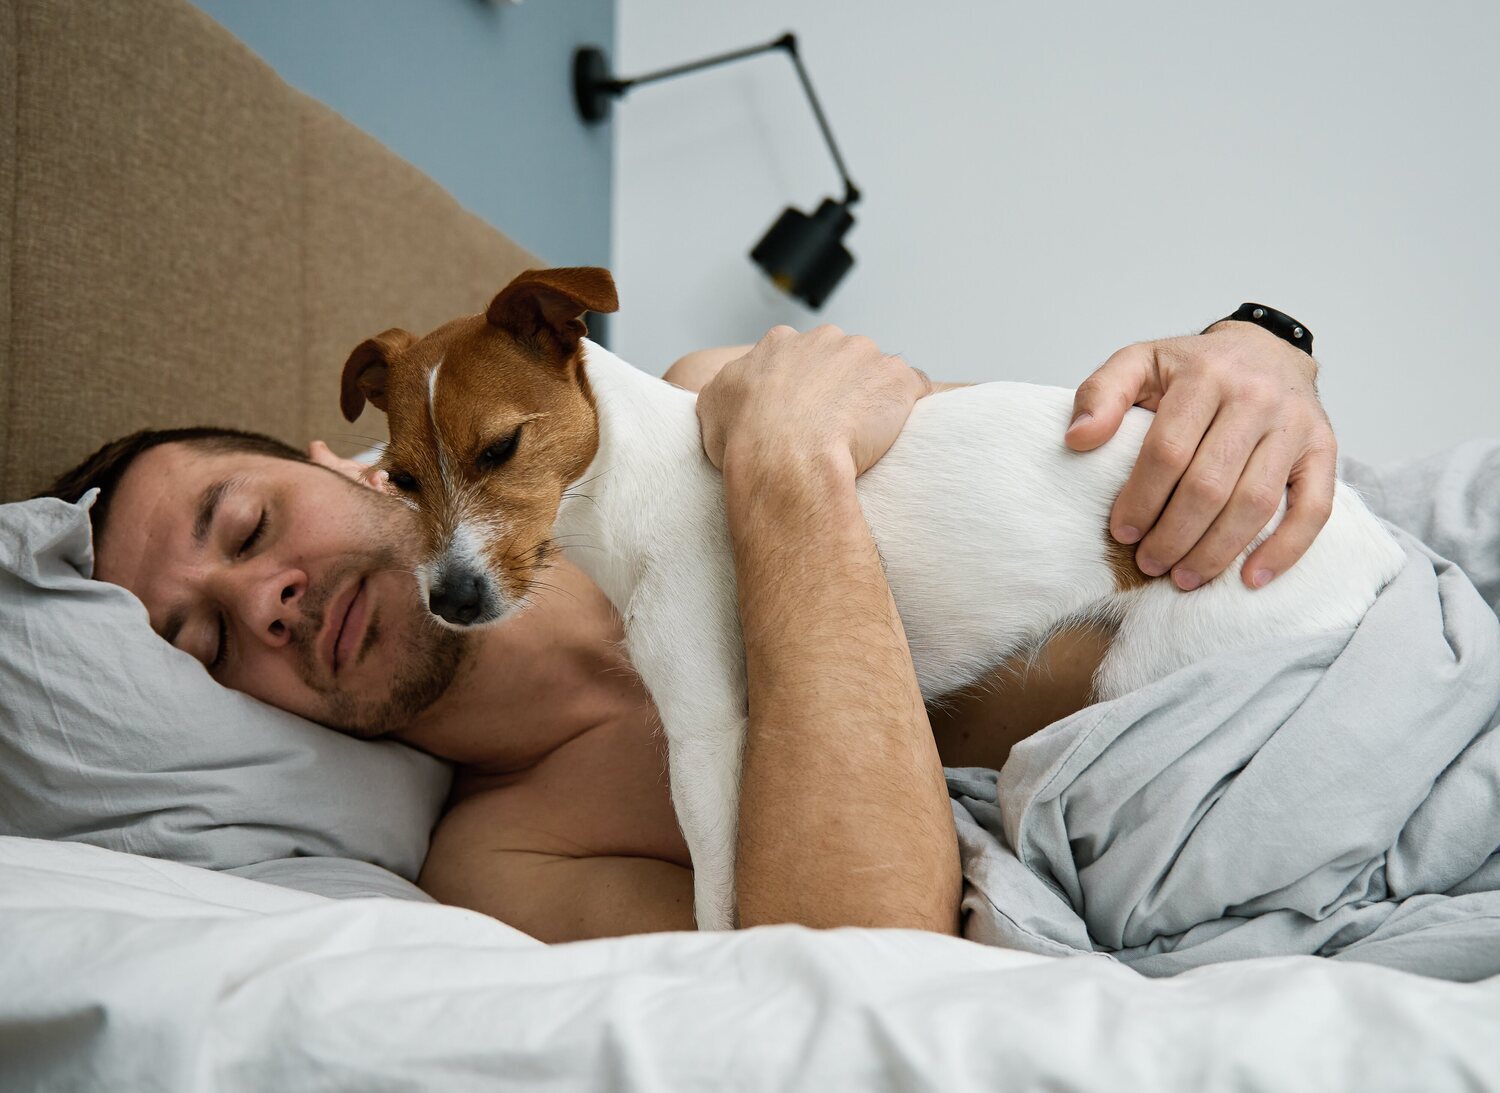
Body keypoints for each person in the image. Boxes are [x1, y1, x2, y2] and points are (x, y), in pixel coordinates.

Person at [44, 317, 1334, 942]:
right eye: (203, 647)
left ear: (362, 463)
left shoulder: (704, 398)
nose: (260, 604)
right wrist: (786, 481)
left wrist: (1261, 349)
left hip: (1321, 619)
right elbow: (866, 963)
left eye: (251, 525)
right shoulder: (503, 866)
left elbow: (1053, 467)